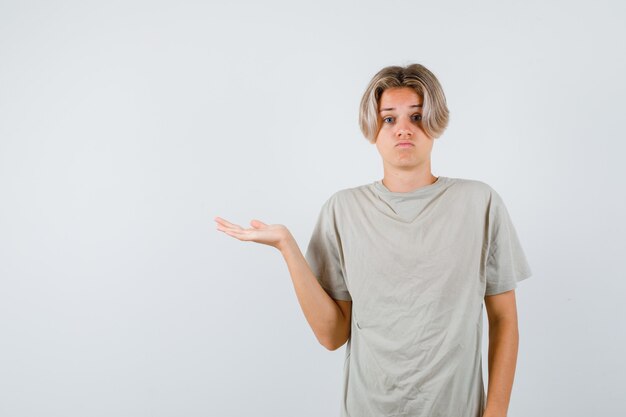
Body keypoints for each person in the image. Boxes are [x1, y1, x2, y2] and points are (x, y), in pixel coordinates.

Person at [214, 63, 533, 417]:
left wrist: (496, 413)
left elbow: (504, 320)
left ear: (435, 122)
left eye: (416, 116)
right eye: (389, 119)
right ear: (373, 128)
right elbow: (332, 336)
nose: (403, 130)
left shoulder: (479, 203)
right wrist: (287, 247)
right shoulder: (343, 210)